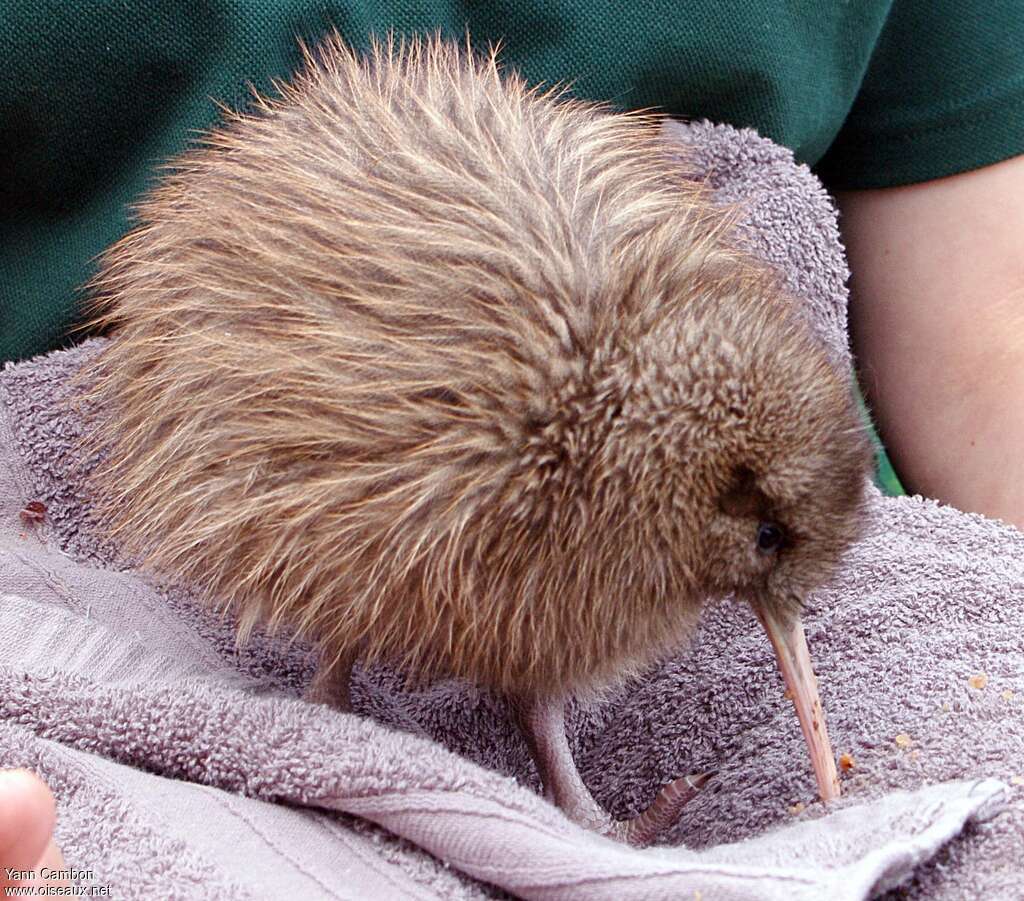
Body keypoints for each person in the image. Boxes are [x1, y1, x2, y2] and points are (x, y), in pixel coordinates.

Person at [1, 0, 1021, 879]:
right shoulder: (487, 461)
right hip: (73, 554)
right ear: (729, 491)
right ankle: (339, 709)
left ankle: (539, 779)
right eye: (764, 555)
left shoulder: (662, 447)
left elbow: (994, 337)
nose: (780, 631)